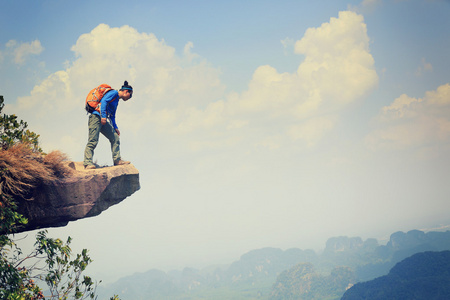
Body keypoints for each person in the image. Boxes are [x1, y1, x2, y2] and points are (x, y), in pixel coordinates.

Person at [83, 81, 133, 169]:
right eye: (130, 95)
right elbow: (104, 101)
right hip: (96, 117)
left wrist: (115, 128)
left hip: (103, 120)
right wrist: (103, 116)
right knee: (93, 140)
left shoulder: (116, 100)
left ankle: (117, 160)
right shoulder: (114, 93)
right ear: (126, 92)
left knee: (115, 137)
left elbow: (112, 116)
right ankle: (87, 163)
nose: (130, 97)